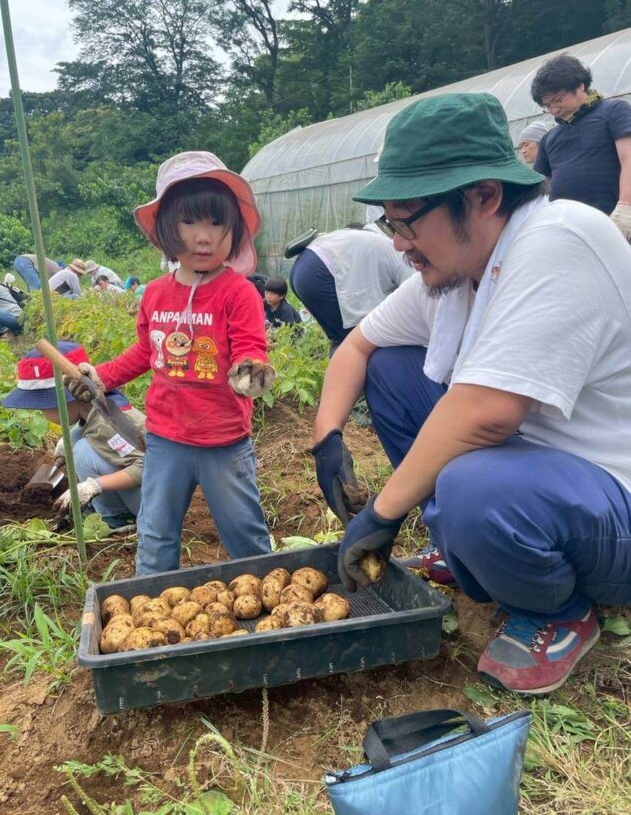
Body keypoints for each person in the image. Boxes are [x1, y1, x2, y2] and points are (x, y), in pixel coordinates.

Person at [311, 92, 631, 696]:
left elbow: (487, 415)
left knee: (471, 486)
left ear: (483, 196)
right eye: (389, 223)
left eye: (407, 221)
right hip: (543, 480)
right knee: (391, 369)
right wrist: (327, 438)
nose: (398, 243)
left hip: (614, 500)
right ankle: (472, 548)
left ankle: (557, 611)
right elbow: (357, 347)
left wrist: (382, 513)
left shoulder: (561, 237)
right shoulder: (458, 273)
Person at [63, 151, 276, 575]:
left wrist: (251, 369)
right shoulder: (157, 293)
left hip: (223, 441)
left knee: (244, 533)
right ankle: (149, 598)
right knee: (156, 532)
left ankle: (266, 601)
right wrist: (100, 376)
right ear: (166, 229)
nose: (204, 237)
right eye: (190, 222)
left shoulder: (238, 293)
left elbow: (251, 346)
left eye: (216, 223)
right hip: (166, 439)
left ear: (234, 229)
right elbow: (146, 351)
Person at [1, 342, 144, 532]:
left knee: (84, 451)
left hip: (157, 503)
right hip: (151, 492)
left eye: (43, 407)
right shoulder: (96, 409)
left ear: (63, 400)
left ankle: (117, 517)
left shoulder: (106, 425)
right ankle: (110, 508)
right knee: (76, 437)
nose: (43, 414)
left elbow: (144, 466)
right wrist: (66, 447)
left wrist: (94, 486)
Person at [530, 53, 631, 238]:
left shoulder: (614, 112)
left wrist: (626, 208)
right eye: (547, 106)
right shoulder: (549, 139)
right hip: (570, 232)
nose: (554, 110)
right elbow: (540, 189)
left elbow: (628, 158)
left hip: (614, 222)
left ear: (580, 86)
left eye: (558, 100)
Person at [289, 222, 413, 353]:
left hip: (302, 267)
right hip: (319, 271)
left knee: (341, 340)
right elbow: (412, 297)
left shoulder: (369, 238)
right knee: (357, 341)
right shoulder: (396, 251)